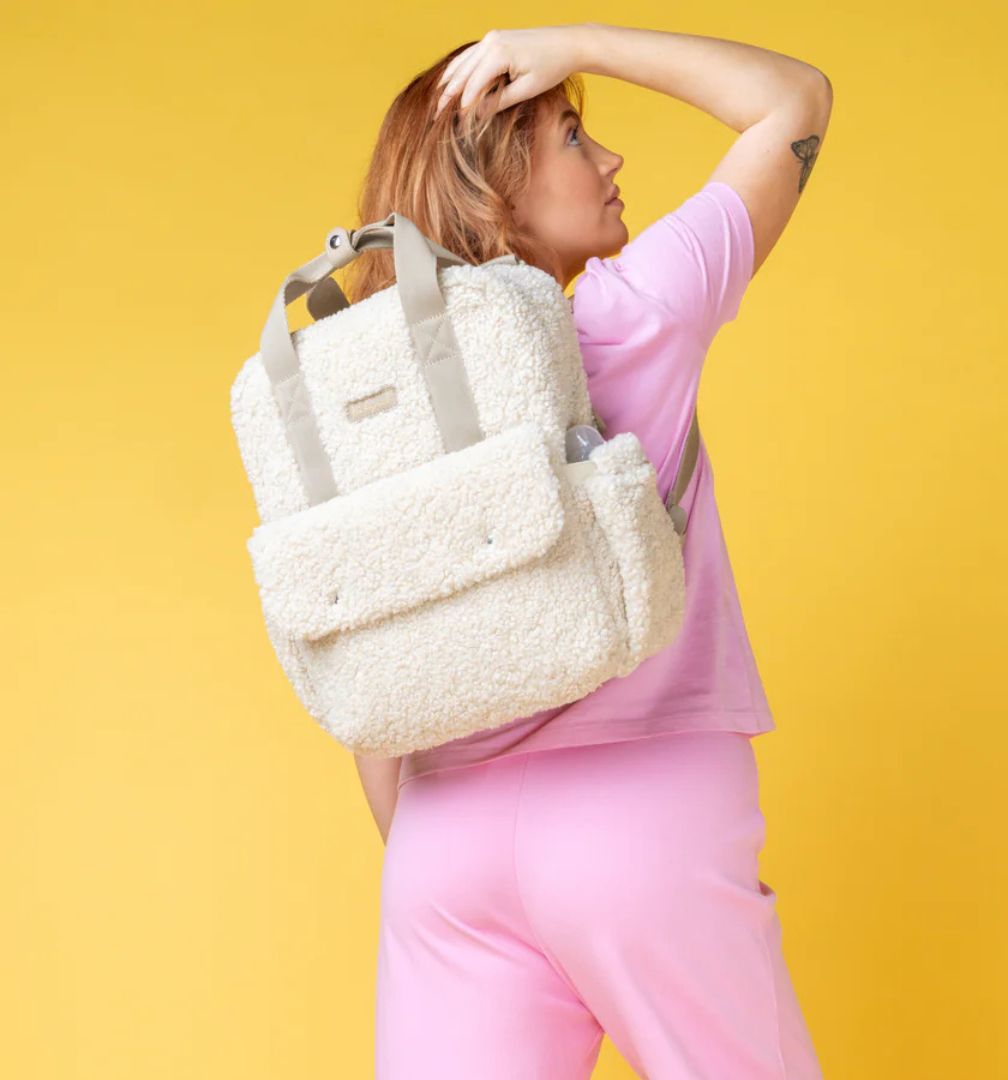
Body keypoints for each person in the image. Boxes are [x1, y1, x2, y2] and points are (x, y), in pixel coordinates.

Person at [348, 23, 833, 1079]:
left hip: (441, 846)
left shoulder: (380, 403)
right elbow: (793, 101)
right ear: (500, 188)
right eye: (574, 136)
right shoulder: (632, 316)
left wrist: (447, 842)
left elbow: (373, 683)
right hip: (644, 821)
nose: (610, 162)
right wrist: (575, 39)